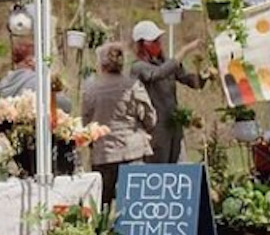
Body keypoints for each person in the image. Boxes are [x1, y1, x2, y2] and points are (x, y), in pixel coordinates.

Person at [81, 43, 157, 205]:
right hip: (133, 151)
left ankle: (104, 230)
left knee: (103, 203)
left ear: (101, 64)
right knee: (136, 202)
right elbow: (150, 117)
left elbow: (86, 123)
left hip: (104, 153)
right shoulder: (133, 86)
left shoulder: (92, 88)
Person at [129, 20, 208, 164]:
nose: (158, 44)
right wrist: (184, 51)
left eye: (158, 40)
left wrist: (203, 76)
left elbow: (190, 81)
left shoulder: (165, 63)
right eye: (154, 41)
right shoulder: (138, 67)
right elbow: (157, 74)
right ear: (142, 45)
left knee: (181, 165)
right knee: (159, 169)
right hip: (155, 130)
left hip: (174, 126)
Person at [0, 40, 72, 112]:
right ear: (30, 61)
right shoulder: (38, 81)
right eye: (40, 58)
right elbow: (65, 105)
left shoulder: (3, 83)